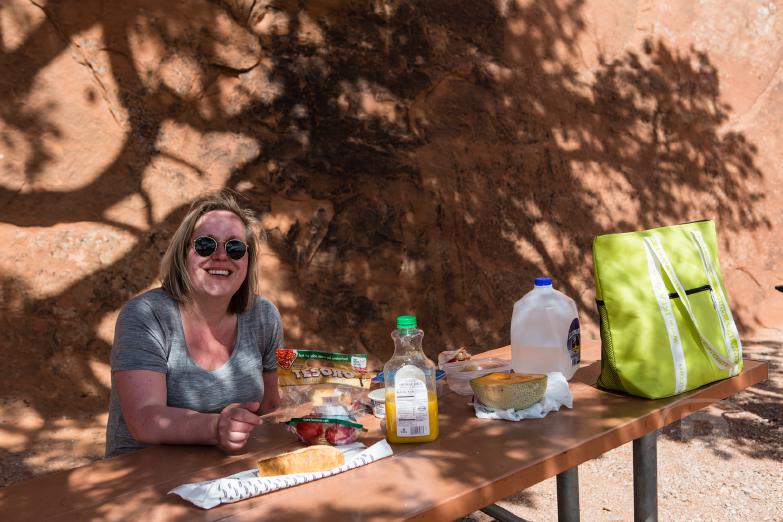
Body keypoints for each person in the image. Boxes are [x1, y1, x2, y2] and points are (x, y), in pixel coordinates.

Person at [105, 190, 282, 457]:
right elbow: (145, 419)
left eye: (235, 248)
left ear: (247, 261)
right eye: (206, 245)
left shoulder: (263, 316)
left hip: (229, 472)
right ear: (182, 254)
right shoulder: (145, 315)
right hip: (142, 477)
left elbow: (270, 405)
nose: (221, 256)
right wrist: (216, 427)